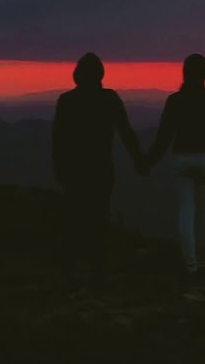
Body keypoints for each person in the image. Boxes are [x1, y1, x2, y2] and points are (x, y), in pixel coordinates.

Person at [51, 53, 144, 290]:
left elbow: (58, 139)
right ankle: (97, 272)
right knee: (98, 219)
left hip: (73, 170)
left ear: (77, 75)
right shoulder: (109, 99)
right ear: (100, 74)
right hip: (101, 169)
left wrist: (59, 167)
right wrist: (139, 159)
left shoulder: (67, 100)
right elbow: (126, 131)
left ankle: (70, 272)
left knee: (73, 219)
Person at [145, 53, 205, 281]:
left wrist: (148, 162)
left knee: (186, 211)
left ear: (185, 72)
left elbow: (164, 137)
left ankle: (190, 264)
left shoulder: (175, 100)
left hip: (182, 159)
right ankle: (203, 263)